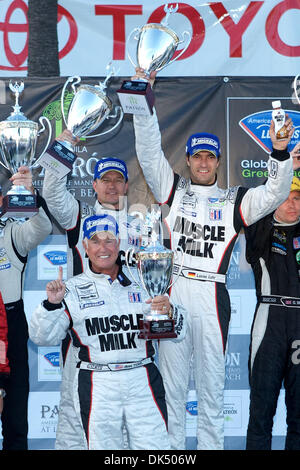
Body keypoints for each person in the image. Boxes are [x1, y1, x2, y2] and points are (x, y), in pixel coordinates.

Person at [131, 67, 295, 450]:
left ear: (219, 161)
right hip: (173, 294)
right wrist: (142, 101)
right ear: (188, 161)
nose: (203, 163)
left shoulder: (235, 199)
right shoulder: (171, 190)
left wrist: (281, 151)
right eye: (197, 157)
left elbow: (275, 192)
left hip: (213, 297)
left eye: (210, 157)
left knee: (211, 394)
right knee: (171, 390)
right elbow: (148, 150)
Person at [29, 214, 186, 450]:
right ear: (85, 246)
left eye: (109, 240)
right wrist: (51, 304)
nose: (103, 247)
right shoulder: (70, 289)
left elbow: (181, 331)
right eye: (95, 240)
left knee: (156, 450)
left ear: (119, 243)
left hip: (142, 379)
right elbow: (41, 337)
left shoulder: (143, 279)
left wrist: (171, 311)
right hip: (97, 383)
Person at [43, 132, 142, 449]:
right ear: (95, 185)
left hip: (127, 340)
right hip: (83, 340)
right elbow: (52, 190)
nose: (112, 185)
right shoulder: (80, 217)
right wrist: (65, 145)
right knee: (74, 421)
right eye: (105, 179)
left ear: (126, 186)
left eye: (118, 179)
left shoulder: (142, 226)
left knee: (126, 426)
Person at [245, 144, 300, 450]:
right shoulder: (260, 231)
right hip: (270, 323)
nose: (291, 205)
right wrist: (286, 164)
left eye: (297, 199)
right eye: (286, 198)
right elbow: (262, 200)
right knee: (261, 414)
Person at [0, 166, 52, 450]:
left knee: (15, 414)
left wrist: (31, 194)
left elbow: (42, 227)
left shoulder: (10, 231)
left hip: (9, 326)